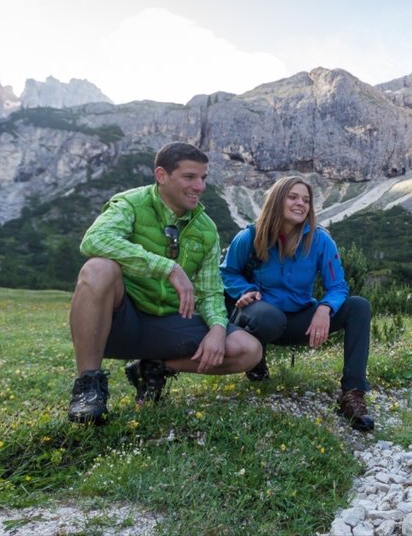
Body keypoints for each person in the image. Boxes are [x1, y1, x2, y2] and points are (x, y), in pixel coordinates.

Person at [67, 142, 264, 425]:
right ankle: (88, 387)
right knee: (98, 268)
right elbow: (94, 240)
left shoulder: (205, 228)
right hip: (123, 320)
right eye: (189, 177)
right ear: (161, 175)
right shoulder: (131, 203)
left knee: (249, 350)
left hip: (172, 322)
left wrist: (219, 329)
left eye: (203, 178)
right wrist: (166, 266)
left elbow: (210, 291)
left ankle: (152, 368)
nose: (200, 186)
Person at [220, 175, 375, 432]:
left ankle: (352, 394)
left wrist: (325, 308)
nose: (301, 204)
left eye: (306, 200)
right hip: (259, 316)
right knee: (269, 317)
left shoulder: (320, 240)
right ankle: (256, 359)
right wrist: (245, 290)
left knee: (359, 306)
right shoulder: (249, 236)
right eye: (293, 197)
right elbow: (227, 272)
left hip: (297, 320)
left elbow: (338, 286)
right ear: (277, 200)